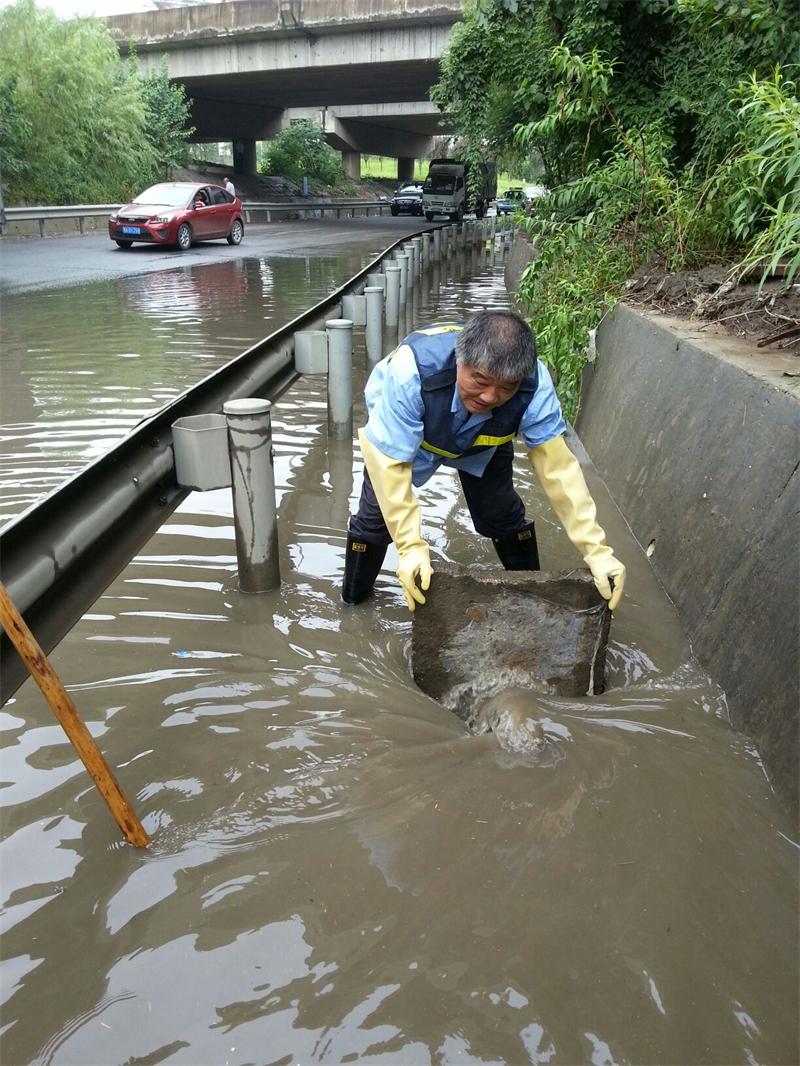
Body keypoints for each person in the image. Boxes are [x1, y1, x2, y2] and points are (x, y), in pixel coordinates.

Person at [342, 310, 626, 612]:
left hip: (485, 439)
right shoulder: (412, 372)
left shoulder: (534, 383)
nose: (490, 397)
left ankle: (529, 598)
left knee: (501, 514)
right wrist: (411, 547)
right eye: (480, 380)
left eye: (507, 388)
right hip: (412, 434)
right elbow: (391, 466)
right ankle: (353, 605)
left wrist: (596, 550)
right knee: (375, 520)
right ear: (458, 360)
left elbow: (557, 467)